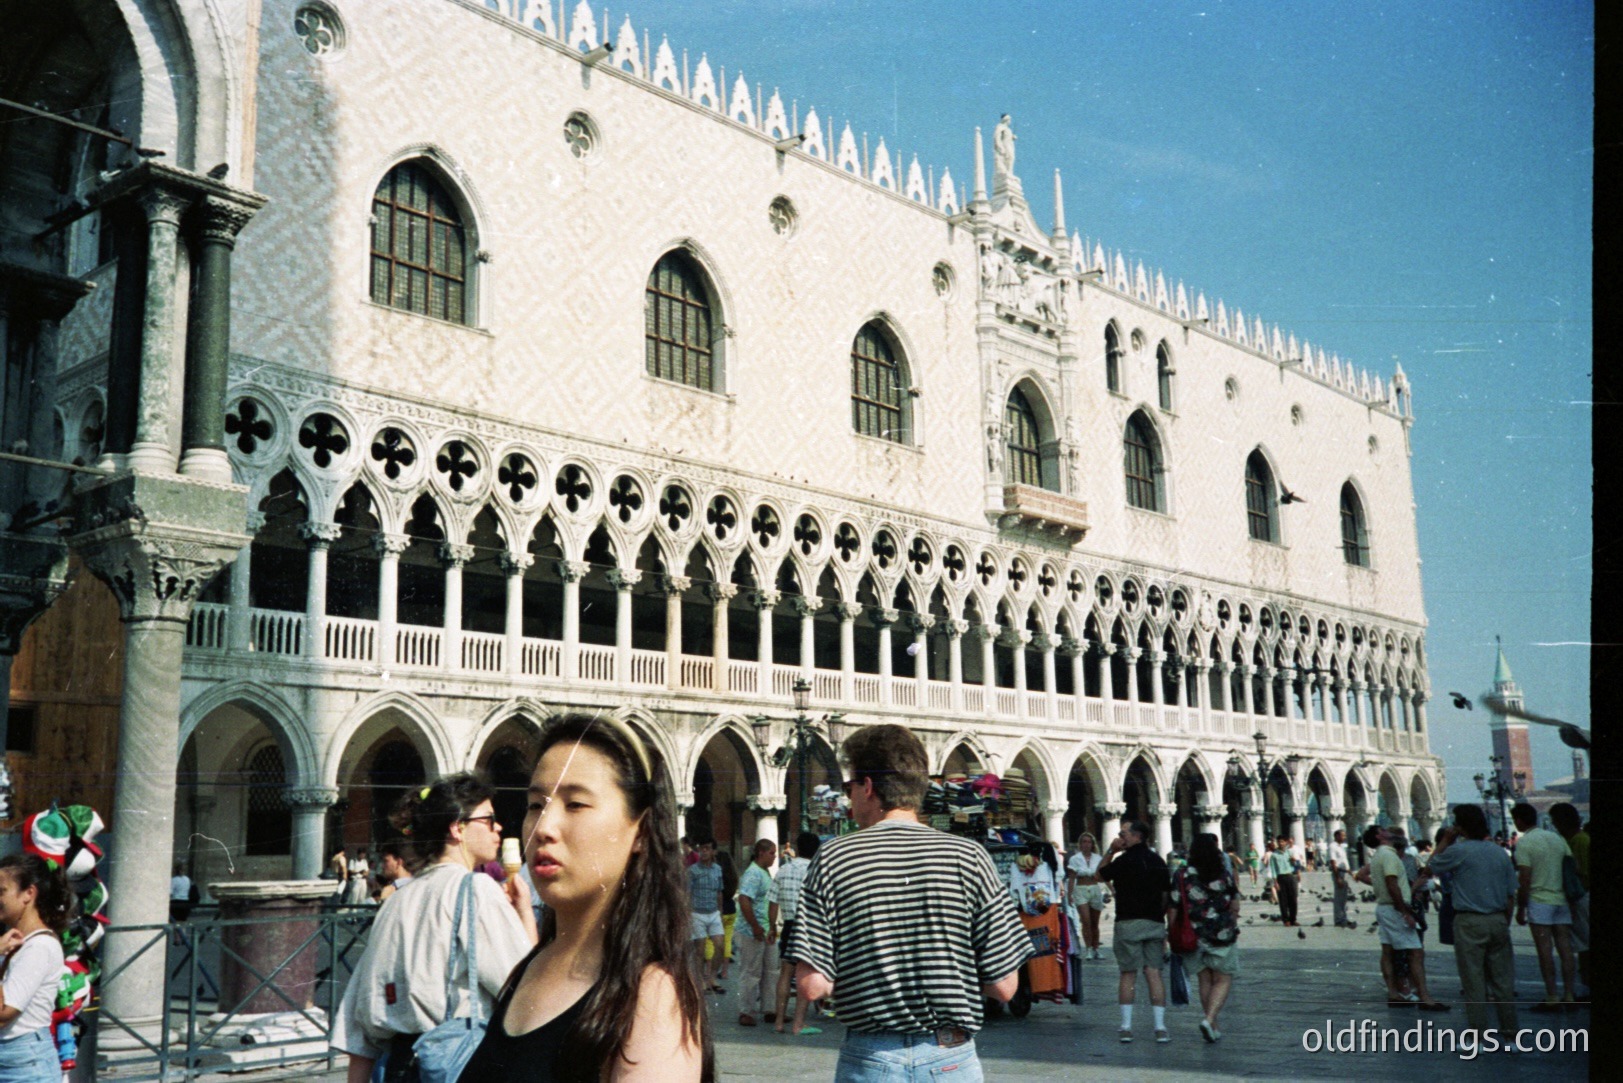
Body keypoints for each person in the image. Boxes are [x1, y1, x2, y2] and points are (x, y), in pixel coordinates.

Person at [457, 712, 711, 1082]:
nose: (543, 828)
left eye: (575, 804)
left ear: (640, 830)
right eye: (535, 805)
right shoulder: (529, 969)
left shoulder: (653, 997)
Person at [785, 724, 1029, 1082]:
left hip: (872, 1056)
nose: (849, 796)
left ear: (868, 786)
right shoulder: (969, 857)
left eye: (849, 787)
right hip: (951, 1058)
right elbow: (1004, 986)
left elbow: (812, 985)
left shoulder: (835, 857)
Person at [332, 774, 538, 1083]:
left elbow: (357, 1024)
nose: (499, 828)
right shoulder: (476, 888)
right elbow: (527, 991)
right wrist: (524, 912)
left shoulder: (396, 900)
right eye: (489, 819)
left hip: (397, 1069)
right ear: (458, 828)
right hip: (457, 1064)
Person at [1425, 805, 1518, 1041]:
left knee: (1473, 981)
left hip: (1469, 921)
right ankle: (1510, 1034)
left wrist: (1446, 840)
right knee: (1503, 980)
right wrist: (1503, 921)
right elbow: (1510, 894)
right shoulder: (1500, 852)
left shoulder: (1459, 851)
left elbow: (1430, 867)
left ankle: (1478, 1037)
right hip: (1497, 919)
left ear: (1461, 826)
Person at [1097, 820, 1172, 1044]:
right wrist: (1162, 921)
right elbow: (1166, 895)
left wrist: (1111, 850)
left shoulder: (1123, 860)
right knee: (1154, 973)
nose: (1121, 837)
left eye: (1124, 834)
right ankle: (1160, 1028)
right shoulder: (1157, 860)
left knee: (1128, 974)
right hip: (1154, 922)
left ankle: (1126, 1027)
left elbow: (1099, 875)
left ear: (1137, 836)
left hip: (1128, 922)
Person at [1357, 824, 1446, 1011]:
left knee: (1388, 951)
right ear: (1379, 836)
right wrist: (1404, 911)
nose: (1387, 830)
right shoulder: (1389, 855)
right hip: (1395, 909)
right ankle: (1424, 997)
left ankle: (1393, 993)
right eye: (1383, 829)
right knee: (1415, 952)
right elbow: (1392, 884)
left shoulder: (1378, 856)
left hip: (1384, 908)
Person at [0, 854, 72, 1082]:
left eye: (1, 891)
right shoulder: (14, 942)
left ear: (28, 894)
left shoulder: (39, 947)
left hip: (23, 1064)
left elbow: (3, 1015)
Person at [1172, 834, 1241, 1043]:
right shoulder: (1223, 874)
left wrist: (1171, 932)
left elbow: (1174, 905)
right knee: (1223, 978)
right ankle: (1209, 1019)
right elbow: (1235, 903)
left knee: (1204, 979)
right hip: (1222, 934)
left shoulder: (1182, 874)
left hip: (1194, 935)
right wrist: (1233, 922)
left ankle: (1212, 1025)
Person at [1509, 803, 1577, 1011]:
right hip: (1561, 900)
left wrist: (1521, 908)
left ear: (1520, 820)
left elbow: (1525, 879)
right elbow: (1573, 867)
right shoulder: (1557, 839)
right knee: (1566, 950)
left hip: (1540, 901)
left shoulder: (1525, 843)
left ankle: (1552, 996)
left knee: (1544, 950)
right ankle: (1569, 994)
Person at [769, 832, 820, 1035]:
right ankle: (798, 1024)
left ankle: (779, 1021)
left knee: (785, 974)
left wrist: (772, 926)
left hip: (789, 925)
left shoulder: (784, 870)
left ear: (797, 848)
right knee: (804, 975)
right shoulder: (817, 871)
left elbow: (773, 901)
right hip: (810, 928)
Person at [1547, 802, 1589, 999]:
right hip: (1577, 897)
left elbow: (1583, 873)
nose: (1555, 826)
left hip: (1581, 898)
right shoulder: (1571, 840)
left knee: (1585, 941)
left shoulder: (1580, 841)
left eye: (1556, 821)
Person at [733, 839, 776, 1027]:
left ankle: (770, 1009)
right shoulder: (753, 874)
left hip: (766, 929)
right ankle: (746, 1010)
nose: (774, 857)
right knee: (751, 972)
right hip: (752, 931)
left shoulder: (764, 873)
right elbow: (744, 900)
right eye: (771, 853)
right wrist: (755, 926)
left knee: (771, 971)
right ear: (761, 853)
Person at [687, 840, 725, 994]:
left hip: (714, 912)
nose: (704, 852)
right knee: (700, 949)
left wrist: (721, 911)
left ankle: (712, 977)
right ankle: (700, 980)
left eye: (707, 849)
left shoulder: (717, 869)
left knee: (720, 946)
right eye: (701, 849)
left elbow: (719, 891)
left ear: (714, 852)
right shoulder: (692, 871)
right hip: (697, 913)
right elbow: (687, 892)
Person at [1065, 833, 1105, 961]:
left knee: (1095, 923)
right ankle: (1088, 948)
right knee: (1086, 921)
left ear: (1093, 844)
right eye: (1083, 842)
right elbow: (1072, 878)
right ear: (1080, 844)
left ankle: (1096, 948)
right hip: (1080, 889)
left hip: (1094, 888)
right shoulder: (1074, 859)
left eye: (1089, 842)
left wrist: (1112, 890)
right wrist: (1069, 894)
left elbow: (1104, 876)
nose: (1086, 844)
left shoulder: (1098, 858)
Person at [712, 851, 738, 981]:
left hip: (719, 910)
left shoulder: (716, 874)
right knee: (727, 941)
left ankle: (710, 972)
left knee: (712, 942)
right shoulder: (733, 876)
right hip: (731, 909)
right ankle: (724, 971)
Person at [1266, 835, 1298, 926]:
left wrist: (1293, 861)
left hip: (1290, 876)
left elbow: (1294, 865)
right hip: (1280, 878)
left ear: (1286, 842)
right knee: (1283, 900)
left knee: (1293, 899)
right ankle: (1286, 919)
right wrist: (1275, 882)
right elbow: (1273, 869)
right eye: (1279, 841)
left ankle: (1293, 919)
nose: (1281, 843)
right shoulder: (1274, 855)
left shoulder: (1289, 852)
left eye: (1283, 841)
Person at [1326, 829, 1352, 928]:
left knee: (1344, 897)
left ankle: (1343, 918)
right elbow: (1333, 862)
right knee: (1339, 898)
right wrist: (1338, 878)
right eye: (1342, 835)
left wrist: (1349, 872)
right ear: (1336, 836)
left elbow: (1343, 861)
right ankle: (1338, 919)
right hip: (1339, 873)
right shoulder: (1333, 847)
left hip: (1344, 873)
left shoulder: (1341, 847)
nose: (1344, 837)